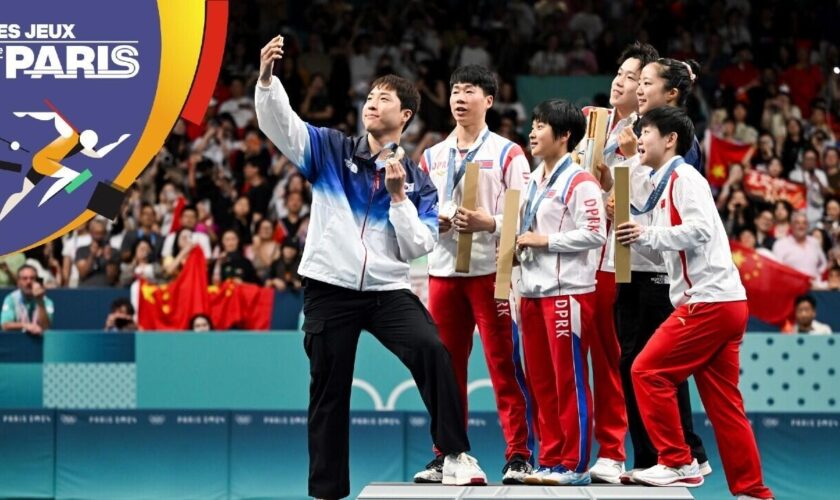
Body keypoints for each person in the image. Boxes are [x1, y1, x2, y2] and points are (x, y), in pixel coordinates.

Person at [256, 35, 483, 500]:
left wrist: (399, 198)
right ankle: (327, 492)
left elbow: (418, 245)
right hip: (330, 288)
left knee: (432, 350)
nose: (372, 103)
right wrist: (266, 81)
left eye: (385, 99)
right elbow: (284, 126)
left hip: (386, 290)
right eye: (370, 97)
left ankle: (455, 456)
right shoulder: (331, 151)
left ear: (405, 116)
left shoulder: (418, 180)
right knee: (329, 392)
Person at [615, 106, 774, 499]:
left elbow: (700, 230)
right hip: (724, 302)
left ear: (670, 139)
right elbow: (673, 252)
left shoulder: (685, 176)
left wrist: (647, 233)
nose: (640, 138)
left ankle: (677, 460)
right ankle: (753, 492)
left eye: (646, 130)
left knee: (646, 371)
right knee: (726, 408)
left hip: (708, 302)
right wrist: (639, 238)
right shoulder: (664, 184)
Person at [413, 64, 533, 485]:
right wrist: (437, 221)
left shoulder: (507, 153)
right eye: (455, 91)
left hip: (492, 272)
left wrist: (490, 223)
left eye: (469, 91)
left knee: (503, 364)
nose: (460, 99)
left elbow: (525, 213)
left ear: (489, 100)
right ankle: (447, 452)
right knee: (446, 369)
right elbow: (419, 209)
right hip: (443, 272)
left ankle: (518, 454)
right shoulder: (431, 156)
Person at [610, 56, 711, 483]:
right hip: (631, 264)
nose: (637, 87)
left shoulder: (676, 140)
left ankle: (679, 454)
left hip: (660, 271)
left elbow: (668, 205)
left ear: (670, 93)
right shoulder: (639, 132)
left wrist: (634, 166)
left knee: (653, 366)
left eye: (645, 81)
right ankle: (654, 456)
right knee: (635, 363)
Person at [581, 41, 659, 484]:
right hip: (580, 257)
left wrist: (621, 181)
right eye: (620, 72)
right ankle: (574, 451)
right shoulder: (597, 123)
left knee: (614, 360)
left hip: (621, 260)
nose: (621, 81)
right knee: (583, 357)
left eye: (633, 77)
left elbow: (648, 197)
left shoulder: (650, 132)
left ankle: (615, 451)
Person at [516, 99, 605, 486]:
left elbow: (596, 233)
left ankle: (575, 463)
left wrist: (544, 240)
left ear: (565, 135)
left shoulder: (580, 181)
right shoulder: (532, 180)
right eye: (533, 125)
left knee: (568, 379)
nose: (533, 132)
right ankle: (550, 458)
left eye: (541, 126)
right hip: (532, 293)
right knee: (539, 381)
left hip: (567, 292)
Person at [772, 212, 829, 284]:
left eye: (804, 223)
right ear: (791, 226)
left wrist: (817, 276)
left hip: (814, 289)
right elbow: (776, 269)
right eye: (797, 223)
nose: (801, 226)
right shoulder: (780, 244)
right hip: (791, 288)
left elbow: (823, 264)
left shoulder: (814, 242)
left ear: (808, 226)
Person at [1, 265, 53, 335]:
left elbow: (45, 327)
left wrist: (40, 301)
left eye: (32, 278)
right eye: (24, 278)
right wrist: (26, 325)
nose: (29, 282)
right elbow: (5, 325)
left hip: (39, 343)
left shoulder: (46, 301)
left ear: (37, 281)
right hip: (17, 342)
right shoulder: (11, 299)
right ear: (18, 282)